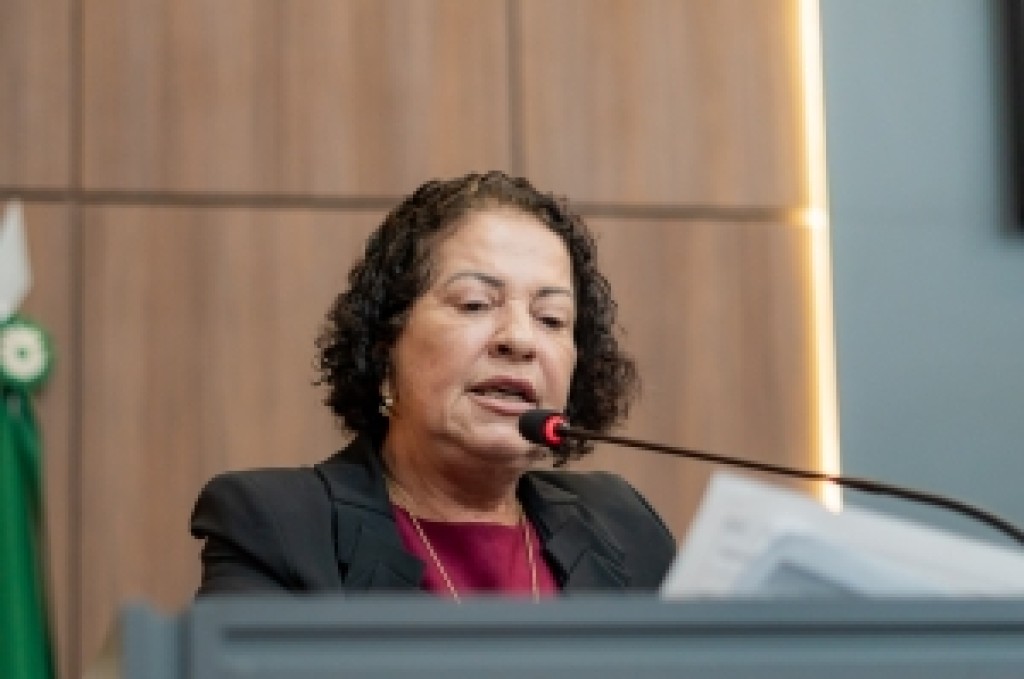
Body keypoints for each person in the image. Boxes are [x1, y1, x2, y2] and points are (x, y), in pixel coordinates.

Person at [190, 171, 675, 598]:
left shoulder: (623, 526)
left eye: (551, 319)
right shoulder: (278, 525)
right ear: (385, 347)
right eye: (475, 304)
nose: (520, 339)